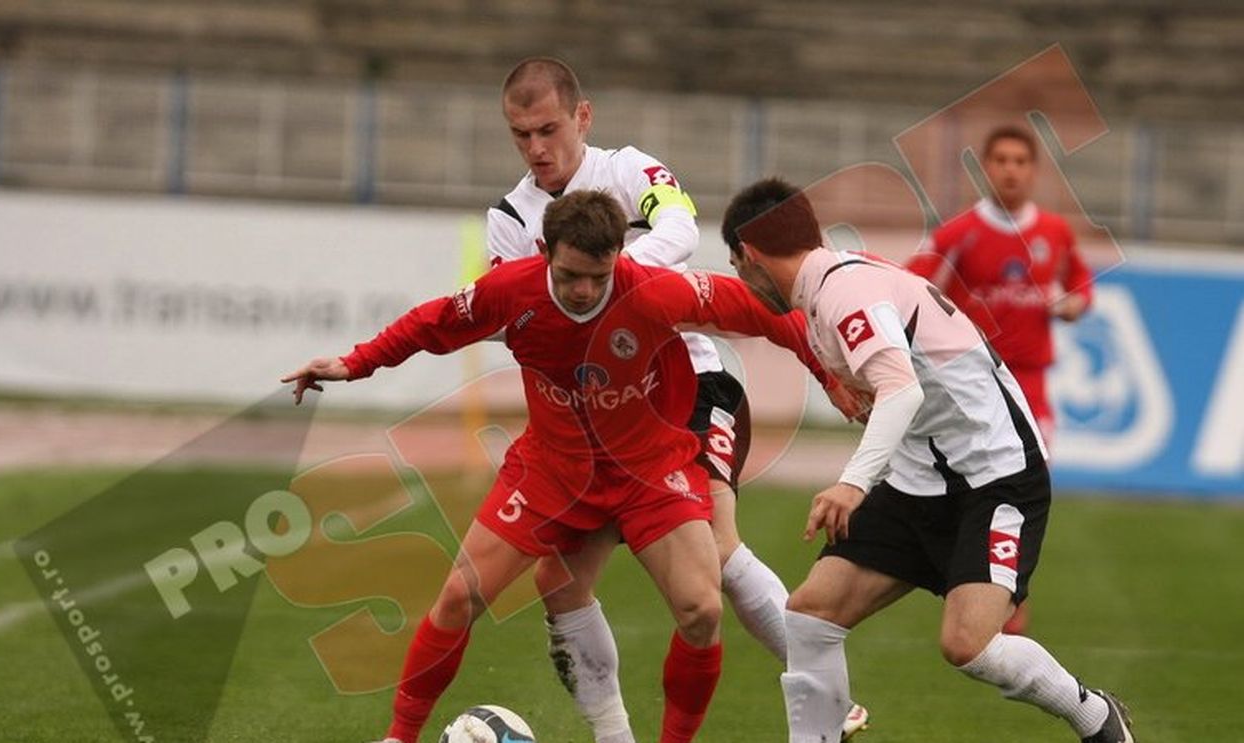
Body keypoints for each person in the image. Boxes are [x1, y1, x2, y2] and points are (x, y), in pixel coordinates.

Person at [283, 190, 829, 743]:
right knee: (457, 597)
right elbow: (433, 323)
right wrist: (355, 363)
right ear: (545, 251)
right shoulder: (510, 291)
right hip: (553, 470)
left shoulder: (655, 291)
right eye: (570, 275)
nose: (586, 290)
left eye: (600, 274)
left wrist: (833, 377)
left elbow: (766, 313)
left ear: (620, 253)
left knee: (701, 609)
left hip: (649, 470)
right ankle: (399, 738)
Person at [486, 56, 869, 743]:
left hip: (694, 383)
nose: (537, 149)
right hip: (601, 418)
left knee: (715, 548)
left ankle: (831, 701)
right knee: (559, 580)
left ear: (583, 117)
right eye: (521, 136)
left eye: (548, 129)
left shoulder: (633, 170)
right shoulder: (511, 217)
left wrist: (613, 281)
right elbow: (517, 313)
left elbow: (685, 232)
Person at [719, 178, 1137, 743]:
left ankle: (1094, 716)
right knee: (810, 614)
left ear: (748, 255)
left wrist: (851, 484)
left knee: (967, 645)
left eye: (737, 265)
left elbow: (903, 390)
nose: (743, 279)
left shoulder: (844, 294)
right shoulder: (833, 283)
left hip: (997, 477)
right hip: (921, 480)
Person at [905, 125, 1094, 634]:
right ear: (985, 168)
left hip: (1031, 386)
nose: (1010, 169)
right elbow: (914, 285)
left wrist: (1071, 305)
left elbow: (1079, 287)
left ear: (1034, 170)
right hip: (972, 386)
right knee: (971, 488)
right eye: (1001, 160)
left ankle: (1011, 594)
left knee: (1026, 488)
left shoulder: (1055, 232)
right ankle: (980, 587)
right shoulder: (957, 233)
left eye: (1020, 161)